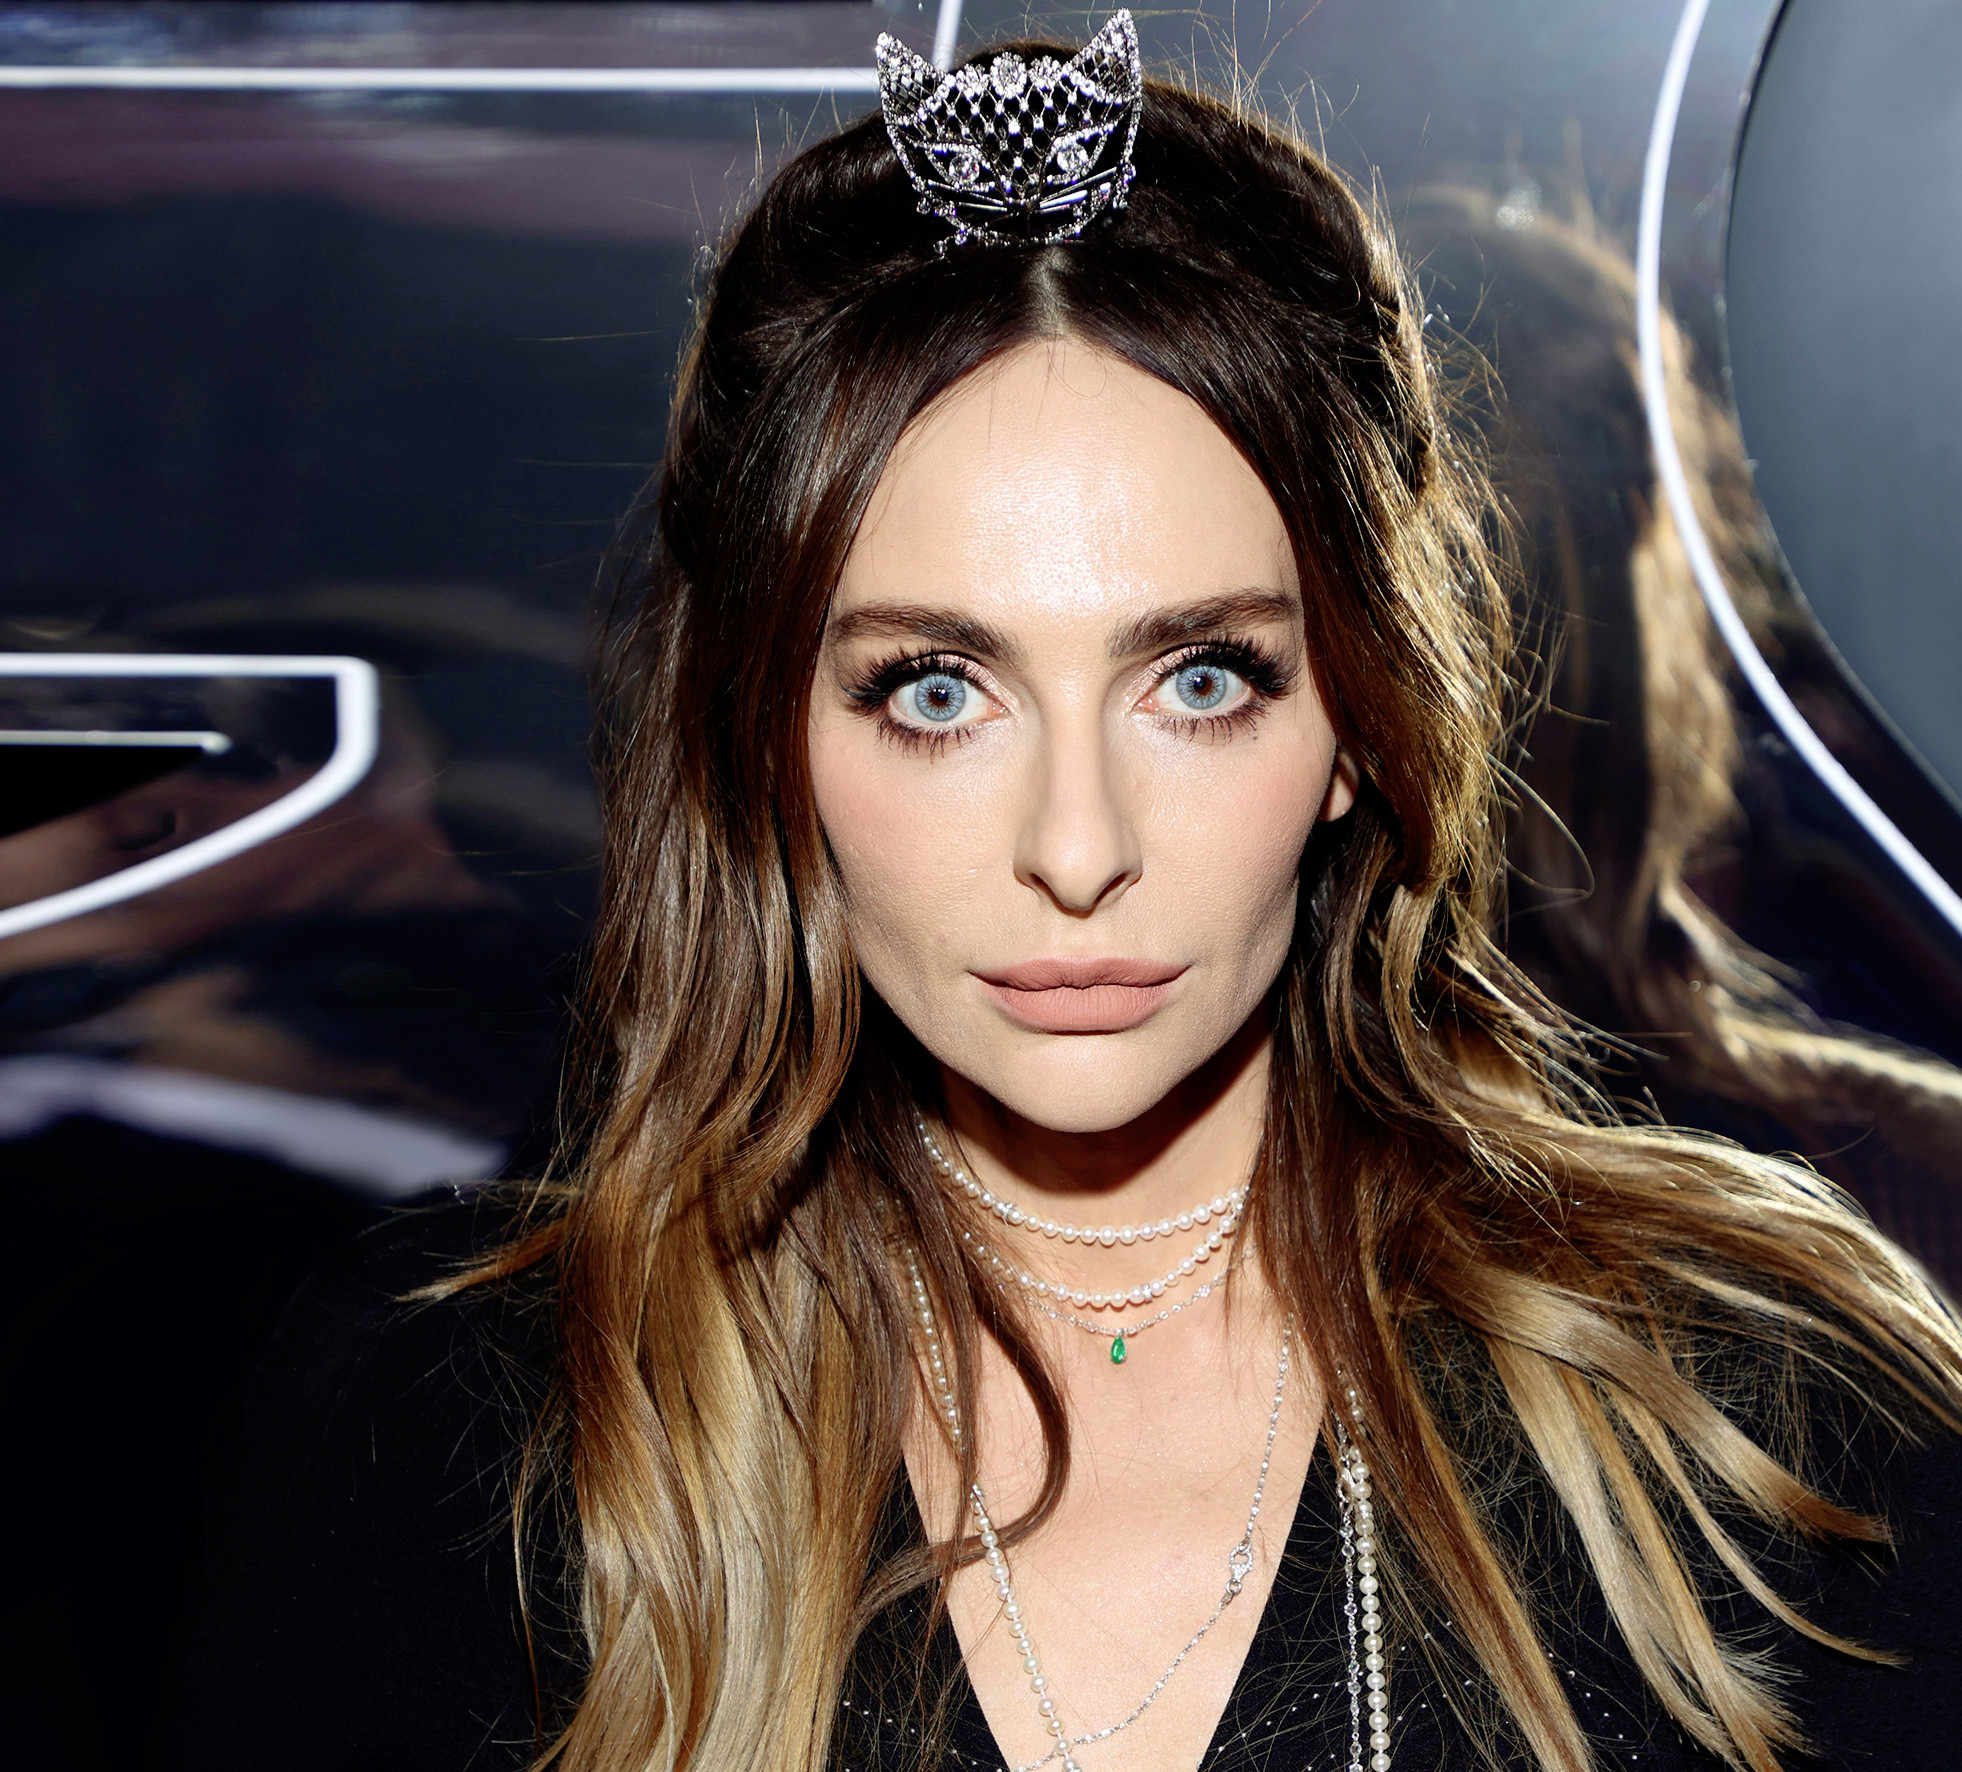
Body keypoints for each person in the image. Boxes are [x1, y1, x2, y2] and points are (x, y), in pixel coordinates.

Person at [169, 20, 1962, 1772]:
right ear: (766, 731)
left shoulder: (1768, 1420)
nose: (1078, 846)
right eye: (936, 692)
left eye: (1200, 680)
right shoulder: (457, 1430)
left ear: (1356, 718)